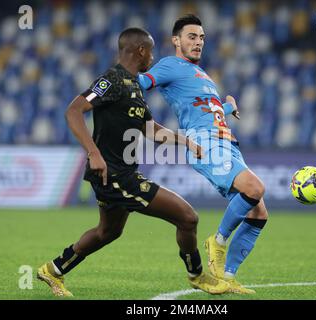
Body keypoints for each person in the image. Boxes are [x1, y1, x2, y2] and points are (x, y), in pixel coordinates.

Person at [37, 27, 229, 297]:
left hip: (116, 174)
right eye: (150, 50)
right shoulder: (112, 80)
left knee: (108, 231)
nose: (152, 56)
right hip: (116, 175)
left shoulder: (135, 86)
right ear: (141, 50)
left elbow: (151, 130)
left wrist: (186, 141)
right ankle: (197, 275)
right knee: (188, 218)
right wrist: (93, 153)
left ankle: (52, 270)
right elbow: (73, 111)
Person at [138, 14, 269, 294]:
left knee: (258, 213)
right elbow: (140, 82)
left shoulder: (201, 74)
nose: (198, 43)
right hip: (204, 142)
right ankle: (218, 241)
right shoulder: (170, 65)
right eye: (192, 37)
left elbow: (201, 107)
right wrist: (115, 82)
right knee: (255, 187)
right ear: (176, 40)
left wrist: (225, 106)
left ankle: (228, 277)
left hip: (227, 142)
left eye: (202, 38)